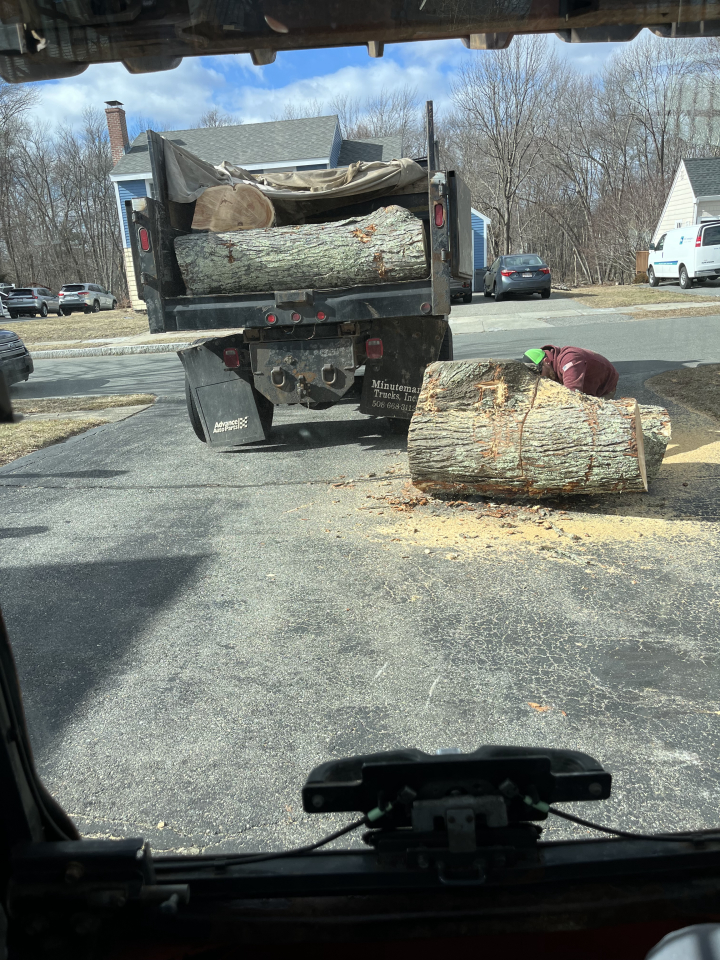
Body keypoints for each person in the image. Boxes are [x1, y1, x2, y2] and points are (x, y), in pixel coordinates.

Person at [522, 345, 619, 399]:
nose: (539, 377)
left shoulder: (570, 360)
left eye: (538, 372)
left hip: (603, 390)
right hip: (585, 387)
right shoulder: (550, 366)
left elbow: (572, 394)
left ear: (546, 361)